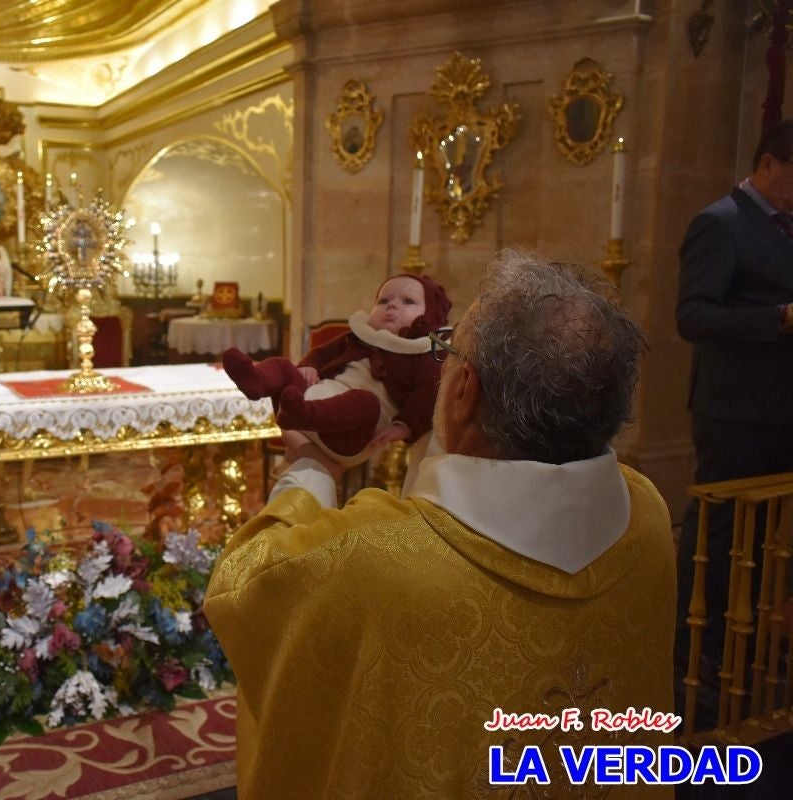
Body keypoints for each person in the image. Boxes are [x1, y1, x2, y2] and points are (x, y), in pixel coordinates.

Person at [205, 252, 676, 798]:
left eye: (448, 349)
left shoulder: (370, 555)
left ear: (463, 390)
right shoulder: (647, 514)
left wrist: (314, 466)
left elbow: (245, 585)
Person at [674, 119, 793, 728]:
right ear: (770, 165)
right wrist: (780, 319)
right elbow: (693, 316)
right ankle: (700, 658)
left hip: (780, 408)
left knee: (772, 534)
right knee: (721, 533)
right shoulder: (719, 223)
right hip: (734, 410)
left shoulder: (785, 226)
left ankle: (753, 654)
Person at [222, 273, 450, 465]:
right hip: (308, 401)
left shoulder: (420, 351)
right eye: (383, 301)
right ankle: (256, 381)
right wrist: (309, 366)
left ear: (429, 316)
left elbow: (429, 392)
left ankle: (302, 414)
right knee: (283, 365)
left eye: (408, 301)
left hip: (348, 435)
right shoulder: (359, 337)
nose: (392, 305)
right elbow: (321, 353)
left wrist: (404, 426)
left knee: (364, 401)